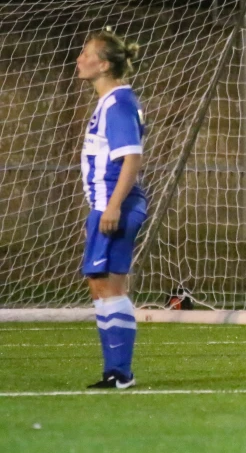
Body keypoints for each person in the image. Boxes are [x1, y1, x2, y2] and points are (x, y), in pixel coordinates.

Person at [76, 28, 147, 387]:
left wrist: (113, 206)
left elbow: (131, 158)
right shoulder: (110, 103)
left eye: (87, 54)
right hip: (105, 206)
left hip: (113, 206)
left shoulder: (118, 103)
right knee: (100, 285)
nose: (80, 59)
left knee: (109, 288)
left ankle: (119, 373)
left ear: (103, 64)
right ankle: (116, 372)